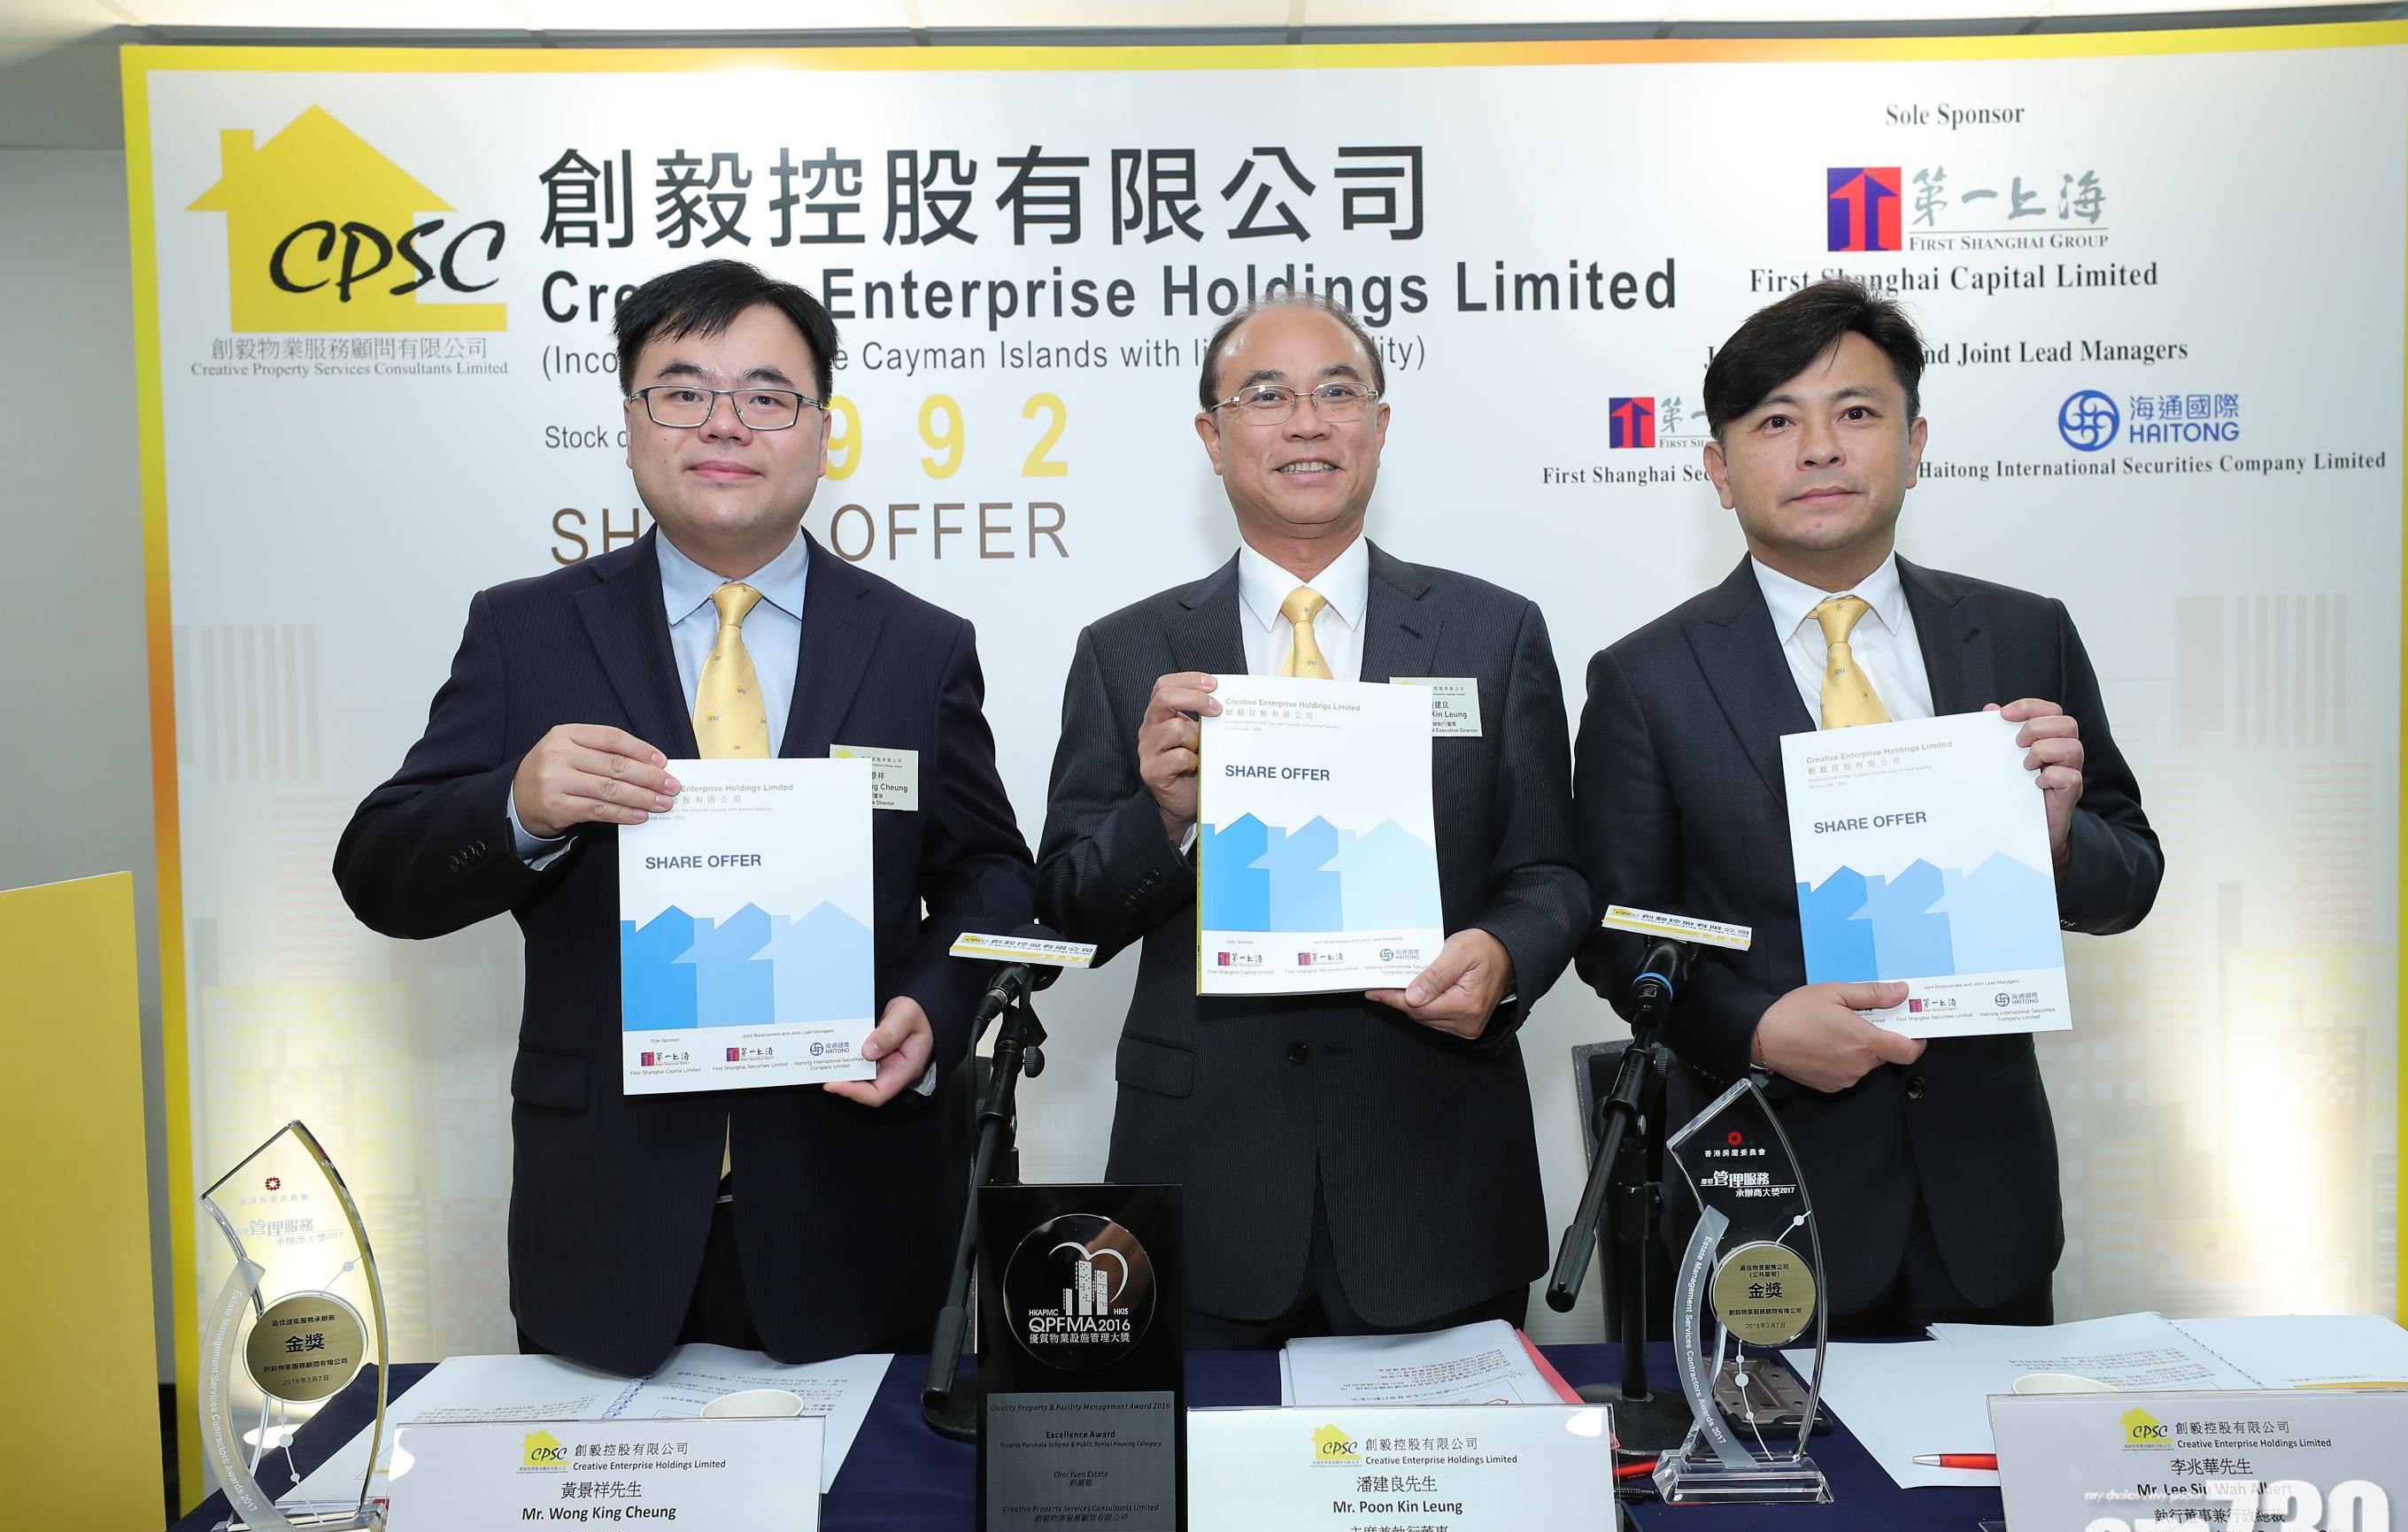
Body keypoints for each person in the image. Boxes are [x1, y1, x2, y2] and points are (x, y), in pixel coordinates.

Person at [335, 259, 1035, 1374]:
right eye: (682, 390)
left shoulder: (919, 646)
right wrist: (518, 805)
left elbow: (993, 879)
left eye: (767, 395)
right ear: (629, 422)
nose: (725, 423)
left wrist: (936, 1007)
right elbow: (379, 871)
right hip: (604, 1225)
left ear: (822, 430)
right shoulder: (526, 633)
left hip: (860, 1215)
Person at [1574, 279, 2162, 1333]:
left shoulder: (2020, 634)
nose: (1820, 449)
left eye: (1856, 412)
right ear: (1719, 470)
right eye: (1776, 422)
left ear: (1914, 442)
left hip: (1986, 1208)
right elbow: (1624, 931)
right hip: (1769, 1202)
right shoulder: (1646, 679)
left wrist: (2061, 843)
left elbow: (2132, 878)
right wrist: (1758, 1030)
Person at [1037, 289, 1594, 1347]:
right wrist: (1163, 817)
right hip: (1206, 1181)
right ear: (1212, 437)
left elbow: (1553, 874)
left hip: (1437, 1177)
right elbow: (1067, 910)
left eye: (1337, 393)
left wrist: (1504, 956)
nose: (1306, 422)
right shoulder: (1128, 651)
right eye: (1266, 396)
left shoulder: (1493, 632)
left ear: (1378, 425)